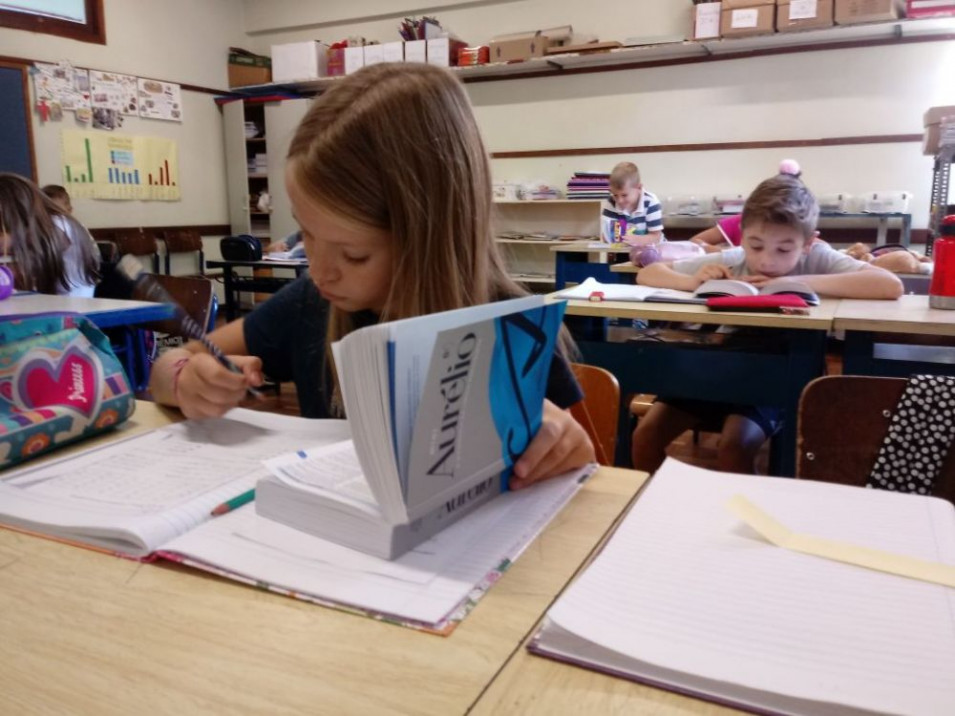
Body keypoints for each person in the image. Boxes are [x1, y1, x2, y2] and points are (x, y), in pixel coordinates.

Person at [149, 63, 595, 489]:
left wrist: (567, 451)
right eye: (306, 233)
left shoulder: (512, 331)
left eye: (354, 254)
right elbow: (170, 365)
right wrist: (188, 379)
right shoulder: (311, 303)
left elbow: (586, 473)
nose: (320, 271)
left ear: (430, 236)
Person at [631, 170, 903, 475]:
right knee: (645, 436)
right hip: (715, 371)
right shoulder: (733, 258)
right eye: (755, 245)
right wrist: (692, 279)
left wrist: (797, 281)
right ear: (742, 235)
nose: (767, 261)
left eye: (784, 250)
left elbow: (890, 284)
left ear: (808, 243)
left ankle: (743, 520)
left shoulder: (818, 257)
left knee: (733, 448)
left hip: (778, 378)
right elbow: (648, 273)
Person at [0, 173, 99, 297]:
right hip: (51, 301)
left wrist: (11, 242)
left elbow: (45, 247)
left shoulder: (59, 223)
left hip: (73, 305)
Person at [600, 161, 663, 245]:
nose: (619, 201)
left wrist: (637, 240)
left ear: (639, 188)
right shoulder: (612, 202)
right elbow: (614, 238)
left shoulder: (650, 202)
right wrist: (610, 235)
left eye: (624, 195)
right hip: (625, 252)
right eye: (615, 195)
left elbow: (656, 237)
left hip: (652, 251)